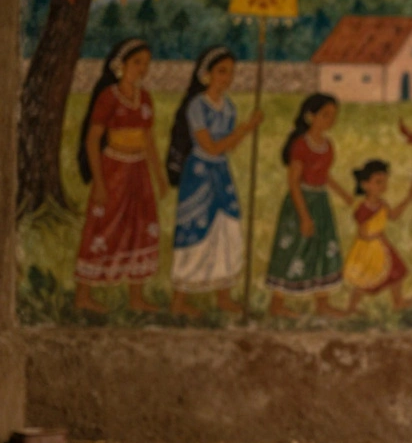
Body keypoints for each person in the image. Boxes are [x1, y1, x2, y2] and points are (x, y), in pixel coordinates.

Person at [167, 46, 264, 318]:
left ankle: (223, 295)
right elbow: (209, 146)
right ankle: (180, 299)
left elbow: (227, 147)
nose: (227, 78)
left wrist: (244, 130)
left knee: (226, 230)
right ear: (206, 74)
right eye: (221, 71)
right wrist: (246, 128)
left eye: (231, 73)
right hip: (199, 173)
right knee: (195, 231)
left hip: (221, 173)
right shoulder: (197, 105)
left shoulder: (229, 107)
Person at [73, 38, 168, 313]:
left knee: (140, 227)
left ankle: (136, 297)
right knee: (104, 226)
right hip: (114, 169)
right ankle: (83, 295)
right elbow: (92, 141)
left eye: (146, 64)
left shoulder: (145, 98)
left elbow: (148, 140)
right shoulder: (108, 97)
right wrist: (99, 182)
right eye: (137, 62)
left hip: (138, 171)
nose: (142, 69)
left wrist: (159, 176)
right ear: (121, 64)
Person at [265, 94, 354, 317]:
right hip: (301, 201)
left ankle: (322, 303)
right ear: (310, 116)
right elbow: (293, 182)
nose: (331, 120)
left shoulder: (327, 145)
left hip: (321, 201)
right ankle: (277, 304)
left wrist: (344, 194)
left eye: (334, 116)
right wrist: (303, 215)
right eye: (325, 115)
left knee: (323, 248)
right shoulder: (301, 145)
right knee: (293, 247)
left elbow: (324, 175)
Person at [343, 160, 412, 313]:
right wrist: (373, 236)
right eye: (378, 182)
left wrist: (408, 198)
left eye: (385, 182)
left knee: (397, 270)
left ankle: (398, 301)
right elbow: (362, 231)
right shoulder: (363, 207)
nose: (383, 186)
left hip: (382, 244)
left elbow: (394, 215)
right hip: (368, 248)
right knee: (363, 278)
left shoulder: (382, 203)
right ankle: (352, 307)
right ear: (365, 185)